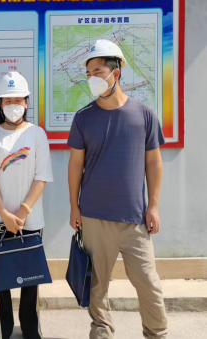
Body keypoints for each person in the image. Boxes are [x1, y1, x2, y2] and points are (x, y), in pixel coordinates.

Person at [67, 39, 168, 339]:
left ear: (116, 73)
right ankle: (102, 331)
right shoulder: (83, 118)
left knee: (149, 283)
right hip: (94, 217)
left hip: (135, 219)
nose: (92, 79)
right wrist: (74, 207)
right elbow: (75, 165)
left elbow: (154, 162)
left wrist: (154, 205)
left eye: (98, 72)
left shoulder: (144, 114)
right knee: (97, 286)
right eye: (88, 73)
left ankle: (157, 333)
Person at [0, 72, 53, 339]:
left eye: (18, 100)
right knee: (1, 280)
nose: (13, 105)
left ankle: (30, 326)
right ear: (0, 104)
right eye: (8, 100)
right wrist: (4, 214)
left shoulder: (37, 134)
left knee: (31, 278)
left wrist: (21, 213)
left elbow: (41, 177)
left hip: (30, 220)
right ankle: (3, 328)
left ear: (26, 102)